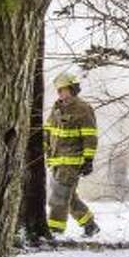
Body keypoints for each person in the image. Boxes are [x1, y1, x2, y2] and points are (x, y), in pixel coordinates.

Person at [44, 72, 100, 237]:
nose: (60, 93)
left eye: (63, 89)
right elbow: (48, 131)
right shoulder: (57, 108)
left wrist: (88, 160)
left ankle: (55, 231)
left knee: (59, 196)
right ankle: (90, 224)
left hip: (72, 162)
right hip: (56, 161)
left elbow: (90, 136)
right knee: (69, 197)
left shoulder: (83, 109)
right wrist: (44, 150)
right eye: (58, 90)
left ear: (72, 89)